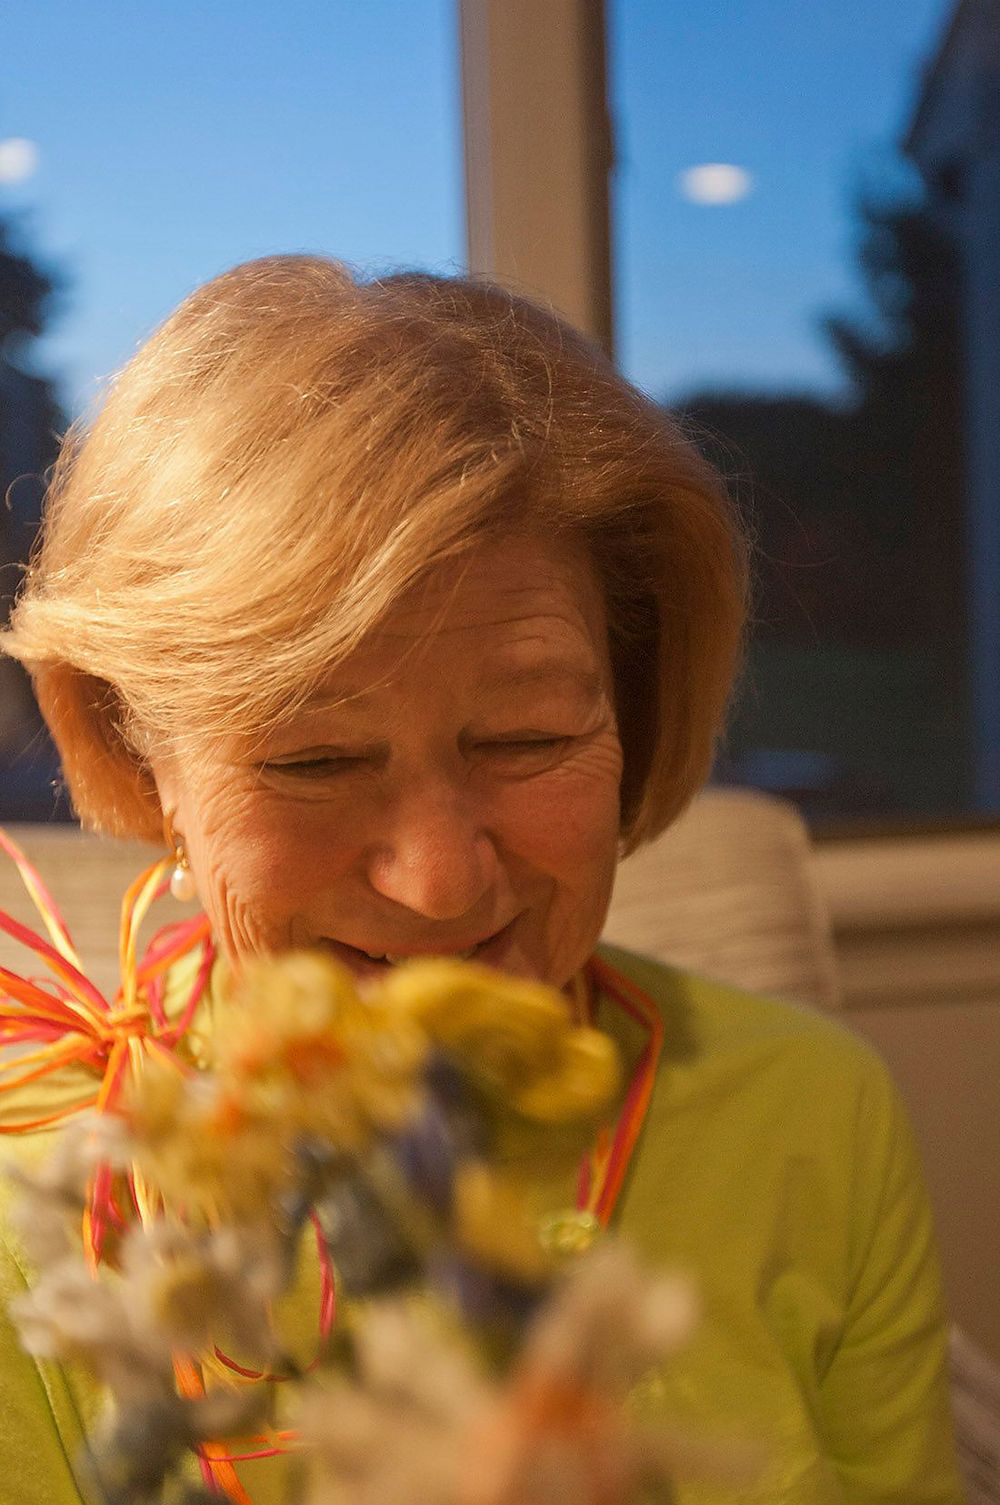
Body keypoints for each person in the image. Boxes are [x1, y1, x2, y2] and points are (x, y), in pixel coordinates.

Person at [0, 256, 963, 1504]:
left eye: (525, 740)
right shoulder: (37, 1172)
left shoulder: (811, 1113)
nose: (442, 882)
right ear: (142, 758)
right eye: (316, 758)